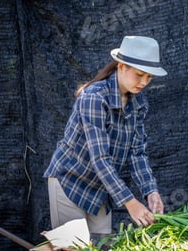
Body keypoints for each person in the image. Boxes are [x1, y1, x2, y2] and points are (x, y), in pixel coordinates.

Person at [44, 36, 167, 235]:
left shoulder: (138, 103)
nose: (144, 82)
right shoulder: (94, 97)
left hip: (102, 189)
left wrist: (150, 191)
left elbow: (137, 153)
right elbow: (99, 158)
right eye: (139, 74)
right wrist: (130, 202)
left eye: (149, 77)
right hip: (70, 183)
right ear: (121, 67)